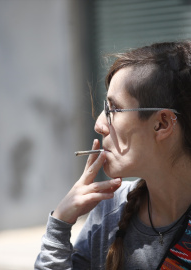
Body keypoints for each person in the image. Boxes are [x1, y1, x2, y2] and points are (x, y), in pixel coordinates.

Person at [34, 40, 191, 269]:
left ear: (162, 123)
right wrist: (59, 225)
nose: (99, 124)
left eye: (113, 110)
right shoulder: (110, 210)